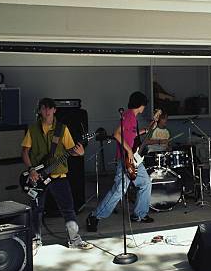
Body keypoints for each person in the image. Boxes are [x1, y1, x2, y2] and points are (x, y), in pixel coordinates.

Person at [21, 97, 92, 250]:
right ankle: (35, 240)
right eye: (43, 108)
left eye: (49, 108)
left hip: (59, 176)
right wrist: (31, 170)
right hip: (37, 177)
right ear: (39, 110)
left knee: (68, 209)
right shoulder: (32, 129)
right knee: (36, 210)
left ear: (55, 110)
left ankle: (74, 239)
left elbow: (72, 149)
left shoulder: (62, 129)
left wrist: (79, 152)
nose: (46, 111)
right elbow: (25, 152)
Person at [86, 91, 154, 232]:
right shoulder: (129, 116)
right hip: (126, 158)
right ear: (140, 104)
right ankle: (94, 216)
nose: (144, 108)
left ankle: (139, 214)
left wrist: (144, 130)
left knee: (145, 183)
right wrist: (129, 151)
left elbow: (130, 134)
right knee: (118, 190)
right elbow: (117, 134)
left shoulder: (132, 117)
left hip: (134, 158)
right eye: (144, 105)